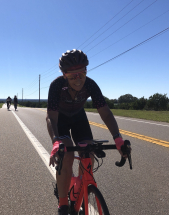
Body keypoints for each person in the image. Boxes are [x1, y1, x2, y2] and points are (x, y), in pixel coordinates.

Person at [46, 49, 131, 215]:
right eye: (72, 76)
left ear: (86, 71)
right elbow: (51, 118)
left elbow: (105, 112)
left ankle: (81, 189)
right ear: (64, 75)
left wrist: (118, 138)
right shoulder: (56, 86)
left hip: (78, 117)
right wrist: (56, 141)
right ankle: (63, 204)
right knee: (67, 153)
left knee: (89, 151)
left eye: (81, 74)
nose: (78, 80)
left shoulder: (91, 84)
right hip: (60, 119)